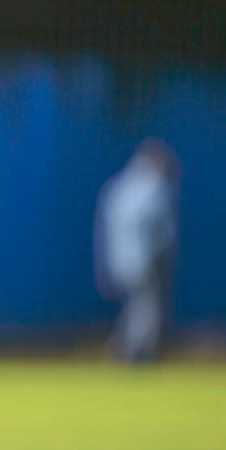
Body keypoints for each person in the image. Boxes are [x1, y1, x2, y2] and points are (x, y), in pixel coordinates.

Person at [94, 138, 180, 364]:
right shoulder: (152, 186)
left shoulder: (120, 185)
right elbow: (160, 226)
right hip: (142, 257)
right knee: (146, 305)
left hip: (120, 257)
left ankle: (121, 346)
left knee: (137, 305)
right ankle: (137, 354)